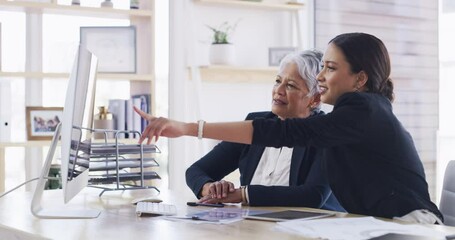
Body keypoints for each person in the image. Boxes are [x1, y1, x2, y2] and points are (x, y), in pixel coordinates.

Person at [134, 32, 442, 223]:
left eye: (330, 68)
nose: (322, 77)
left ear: (359, 79)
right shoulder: (355, 116)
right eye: (322, 67)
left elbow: (288, 138)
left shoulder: (361, 110)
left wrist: (187, 127)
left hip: (410, 225)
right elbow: (278, 132)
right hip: (382, 223)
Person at [185, 50, 343, 211]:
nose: (278, 90)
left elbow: (313, 196)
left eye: (290, 85)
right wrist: (211, 189)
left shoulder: (326, 132)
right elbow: (196, 171)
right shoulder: (255, 124)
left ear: (315, 99)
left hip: (311, 230)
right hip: (255, 225)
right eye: (277, 81)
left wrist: (243, 194)